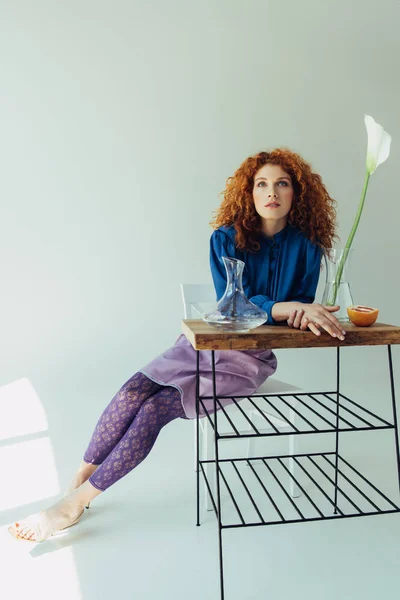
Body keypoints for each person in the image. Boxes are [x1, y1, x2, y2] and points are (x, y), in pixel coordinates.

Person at [8, 148, 346, 542]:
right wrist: (287, 307)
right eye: (262, 184)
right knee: (133, 390)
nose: (272, 192)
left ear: (296, 194)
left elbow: (299, 310)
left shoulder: (309, 247)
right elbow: (232, 304)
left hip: (247, 361)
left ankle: (74, 504)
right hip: (200, 346)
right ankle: (79, 480)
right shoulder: (225, 238)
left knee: (154, 410)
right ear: (250, 193)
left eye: (282, 184)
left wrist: (303, 313)